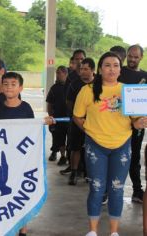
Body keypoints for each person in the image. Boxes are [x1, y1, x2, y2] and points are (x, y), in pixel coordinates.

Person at [73, 52, 147, 236]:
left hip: (121, 145)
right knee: (97, 188)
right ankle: (92, 231)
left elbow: (136, 119)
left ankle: (114, 232)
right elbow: (77, 116)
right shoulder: (87, 90)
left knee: (116, 189)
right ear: (100, 69)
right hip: (95, 146)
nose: (111, 69)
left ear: (120, 70)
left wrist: (137, 123)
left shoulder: (128, 91)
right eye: (107, 65)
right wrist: (90, 130)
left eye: (115, 65)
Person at [0, 71, 54, 236]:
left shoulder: (26, 108)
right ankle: (4, 225)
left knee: (20, 193)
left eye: (13, 84)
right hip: (1, 159)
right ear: (1, 87)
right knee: (2, 191)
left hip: (21, 159)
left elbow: (32, 130)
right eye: (5, 84)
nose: (9, 87)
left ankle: (23, 228)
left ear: (21, 88)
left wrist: (43, 123)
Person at [118, 44, 147, 203]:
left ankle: (137, 190)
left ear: (141, 57)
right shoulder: (119, 72)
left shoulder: (145, 76)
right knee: (116, 158)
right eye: (130, 56)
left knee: (134, 158)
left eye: (136, 57)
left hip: (138, 126)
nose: (132, 59)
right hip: (117, 124)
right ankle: (109, 191)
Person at [66, 58, 95, 185]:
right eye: (81, 69)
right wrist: (77, 115)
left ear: (93, 70)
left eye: (86, 69)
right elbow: (69, 102)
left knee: (92, 149)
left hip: (95, 123)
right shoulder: (74, 84)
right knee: (75, 148)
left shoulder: (99, 84)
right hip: (77, 122)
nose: (82, 72)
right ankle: (74, 172)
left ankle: (90, 173)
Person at [46, 65, 69, 165]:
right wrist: (51, 116)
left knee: (70, 139)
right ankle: (60, 155)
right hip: (57, 118)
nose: (57, 75)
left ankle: (68, 157)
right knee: (58, 137)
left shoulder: (71, 86)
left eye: (59, 73)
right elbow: (49, 103)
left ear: (65, 74)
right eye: (57, 73)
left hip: (70, 118)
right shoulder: (54, 88)